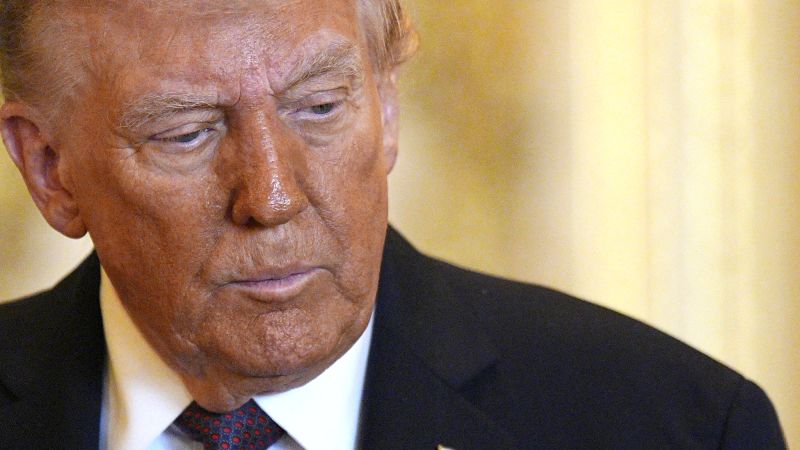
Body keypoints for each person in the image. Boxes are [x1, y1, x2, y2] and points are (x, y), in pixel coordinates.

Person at [0, 0, 787, 449]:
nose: (271, 197)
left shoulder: (676, 425)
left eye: (319, 106)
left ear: (385, 106)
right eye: (186, 133)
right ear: (48, 169)